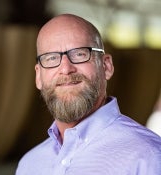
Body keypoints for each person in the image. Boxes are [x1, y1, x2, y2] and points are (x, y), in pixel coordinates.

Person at [16, 14, 161, 175]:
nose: (65, 69)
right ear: (38, 76)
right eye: (51, 58)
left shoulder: (149, 157)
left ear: (106, 66)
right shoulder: (29, 165)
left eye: (79, 54)